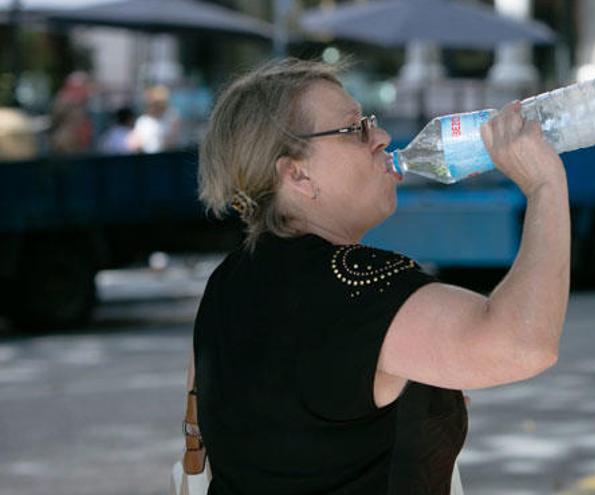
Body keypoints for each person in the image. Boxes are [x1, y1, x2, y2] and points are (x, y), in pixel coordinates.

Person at [193, 58, 570, 494]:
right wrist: (544, 184)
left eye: (369, 122)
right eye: (355, 129)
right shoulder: (354, 285)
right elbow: (524, 343)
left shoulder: (229, 279)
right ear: (296, 172)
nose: (383, 137)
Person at [130, 85, 179, 153]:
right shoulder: (143, 121)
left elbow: (173, 140)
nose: (155, 107)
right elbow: (134, 143)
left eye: (158, 103)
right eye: (153, 103)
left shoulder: (172, 116)